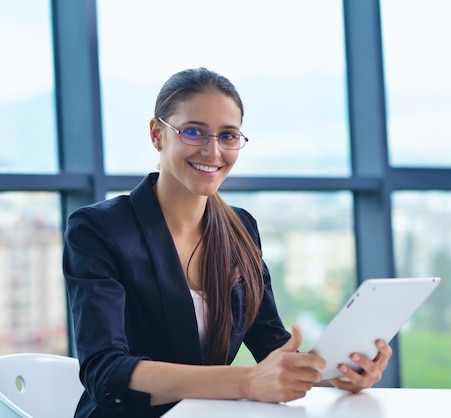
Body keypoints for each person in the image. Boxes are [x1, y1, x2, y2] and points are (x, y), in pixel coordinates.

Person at [63, 67, 392, 417]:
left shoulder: (240, 229)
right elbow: (106, 373)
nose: (212, 151)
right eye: (193, 132)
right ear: (157, 134)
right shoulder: (99, 230)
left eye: (228, 136)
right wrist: (245, 382)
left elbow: (271, 347)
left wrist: (337, 373)